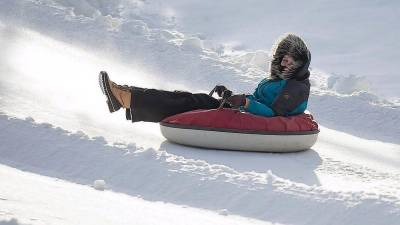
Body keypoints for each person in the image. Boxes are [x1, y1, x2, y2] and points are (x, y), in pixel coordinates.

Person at [99, 33, 311, 123]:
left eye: (291, 61)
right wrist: (233, 95)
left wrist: (245, 102)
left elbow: (274, 112)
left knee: (192, 102)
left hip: (250, 119)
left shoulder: (294, 88)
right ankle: (125, 93)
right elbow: (258, 99)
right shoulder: (277, 81)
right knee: (185, 97)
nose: (285, 63)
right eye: (283, 59)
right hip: (245, 113)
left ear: (300, 64)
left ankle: (127, 99)